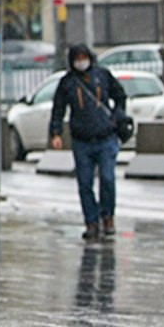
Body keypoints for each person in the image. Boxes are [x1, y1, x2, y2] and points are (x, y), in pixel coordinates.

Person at [49, 44, 126, 240]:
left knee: (108, 179)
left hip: (105, 137)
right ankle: (91, 221)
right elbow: (58, 109)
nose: (81, 61)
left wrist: (118, 115)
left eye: (84, 57)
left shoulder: (102, 75)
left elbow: (120, 96)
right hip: (81, 141)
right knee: (85, 183)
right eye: (77, 58)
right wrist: (56, 133)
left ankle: (107, 216)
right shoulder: (68, 83)